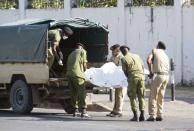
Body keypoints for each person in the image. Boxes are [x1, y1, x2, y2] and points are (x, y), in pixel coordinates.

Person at [120, 46, 145, 122]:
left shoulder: (123, 59)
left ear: (122, 52)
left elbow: (125, 71)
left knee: (132, 96)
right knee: (141, 96)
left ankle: (135, 116)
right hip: (141, 77)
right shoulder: (137, 56)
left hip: (133, 78)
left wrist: (130, 77)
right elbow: (143, 66)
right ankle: (142, 115)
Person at [147, 41, 170, 121]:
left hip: (158, 75)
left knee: (153, 95)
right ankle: (159, 115)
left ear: (158, 46)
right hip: (166, 76)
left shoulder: (155, 50)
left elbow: (148, 60)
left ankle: (152, 115)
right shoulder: (165, 55)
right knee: (161, 96)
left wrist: (150, 72)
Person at [66, 43, 89, 118]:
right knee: (81, 92)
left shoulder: (71, 54)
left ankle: (75, 111)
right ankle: (83, 110)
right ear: (81, 48)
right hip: (78, 74)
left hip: (69, 75)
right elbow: (84, 64)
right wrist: (87, 73)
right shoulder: (82, 51)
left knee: (73, 92)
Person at [106, 44, 127, 117]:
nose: (112, 52)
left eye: (113, 50)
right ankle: (114, 110)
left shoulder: (121, 57)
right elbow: (109, 64)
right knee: (116, 95)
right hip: (116, 79)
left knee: (120, 95)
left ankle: (119, 111)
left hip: (121, 79)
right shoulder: (113, 57)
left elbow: (121, 69)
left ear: (117, 50)